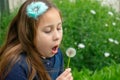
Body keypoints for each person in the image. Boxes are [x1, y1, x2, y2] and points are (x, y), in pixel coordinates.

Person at [0, 0, 73, 80]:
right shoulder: (16, 66)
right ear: (28, 33)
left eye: (59, 28)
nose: (57, 36)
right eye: (48, 30)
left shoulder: (57, 55)